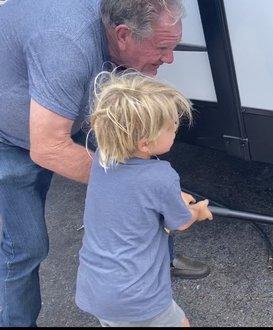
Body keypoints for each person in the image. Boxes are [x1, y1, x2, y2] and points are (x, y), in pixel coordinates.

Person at [0, 0, 208, 326]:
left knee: (146, 188)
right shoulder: (67, 44)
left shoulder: (112, 23)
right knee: (26, 247)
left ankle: (154, 265)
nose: (169, 59)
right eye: (163, 47)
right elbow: (48, 147)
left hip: (63, 110)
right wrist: (139, 188)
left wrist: (144, 190)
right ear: (123, 35)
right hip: (9, 139)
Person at [75, 70, 212, 327]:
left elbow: (133, 193)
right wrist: (199, 211)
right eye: (171, 128)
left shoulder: (103, 159)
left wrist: (173, 196)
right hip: (138, 295)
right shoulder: (161, 175)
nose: (176, 130)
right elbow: (180, 222)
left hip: (96, 288)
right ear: (145, 144)